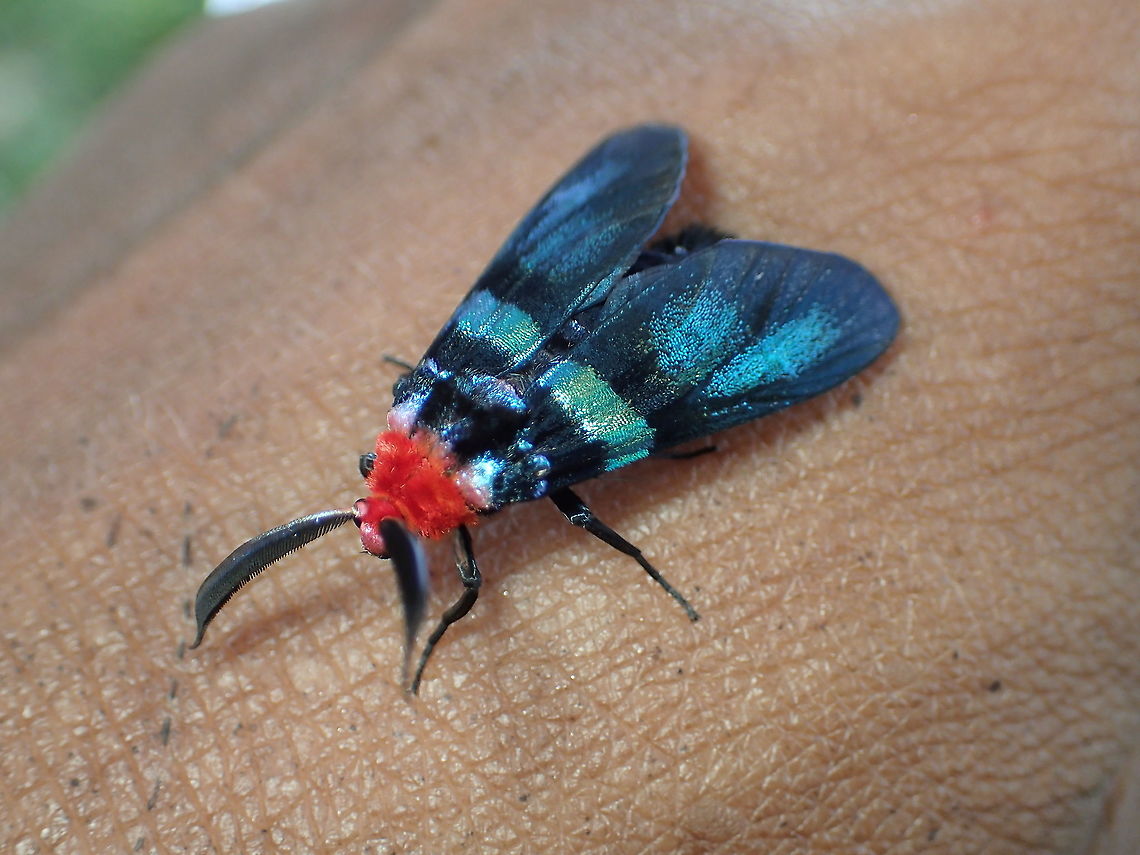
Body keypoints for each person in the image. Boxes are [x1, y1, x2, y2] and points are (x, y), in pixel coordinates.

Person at [1, 0, 1136, 851]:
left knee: (638, 453)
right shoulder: (423, 405)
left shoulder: (495, 482)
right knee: (641, 424)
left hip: (645, 340)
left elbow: (480, 577)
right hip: (565, 320)